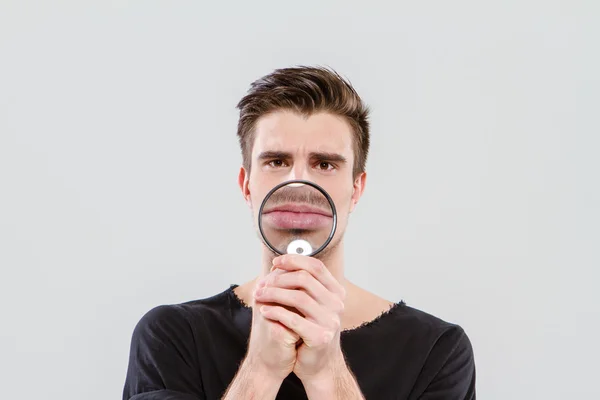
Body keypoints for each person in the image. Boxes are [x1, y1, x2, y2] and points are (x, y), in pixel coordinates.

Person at [122, 66, 476, 400]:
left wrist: (328, 372)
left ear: (356, 189)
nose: (299, 182)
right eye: (277, 161)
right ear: (247, 186)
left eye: (325, 164)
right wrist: (260, 370)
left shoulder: (436, 351)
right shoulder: (172, 337)